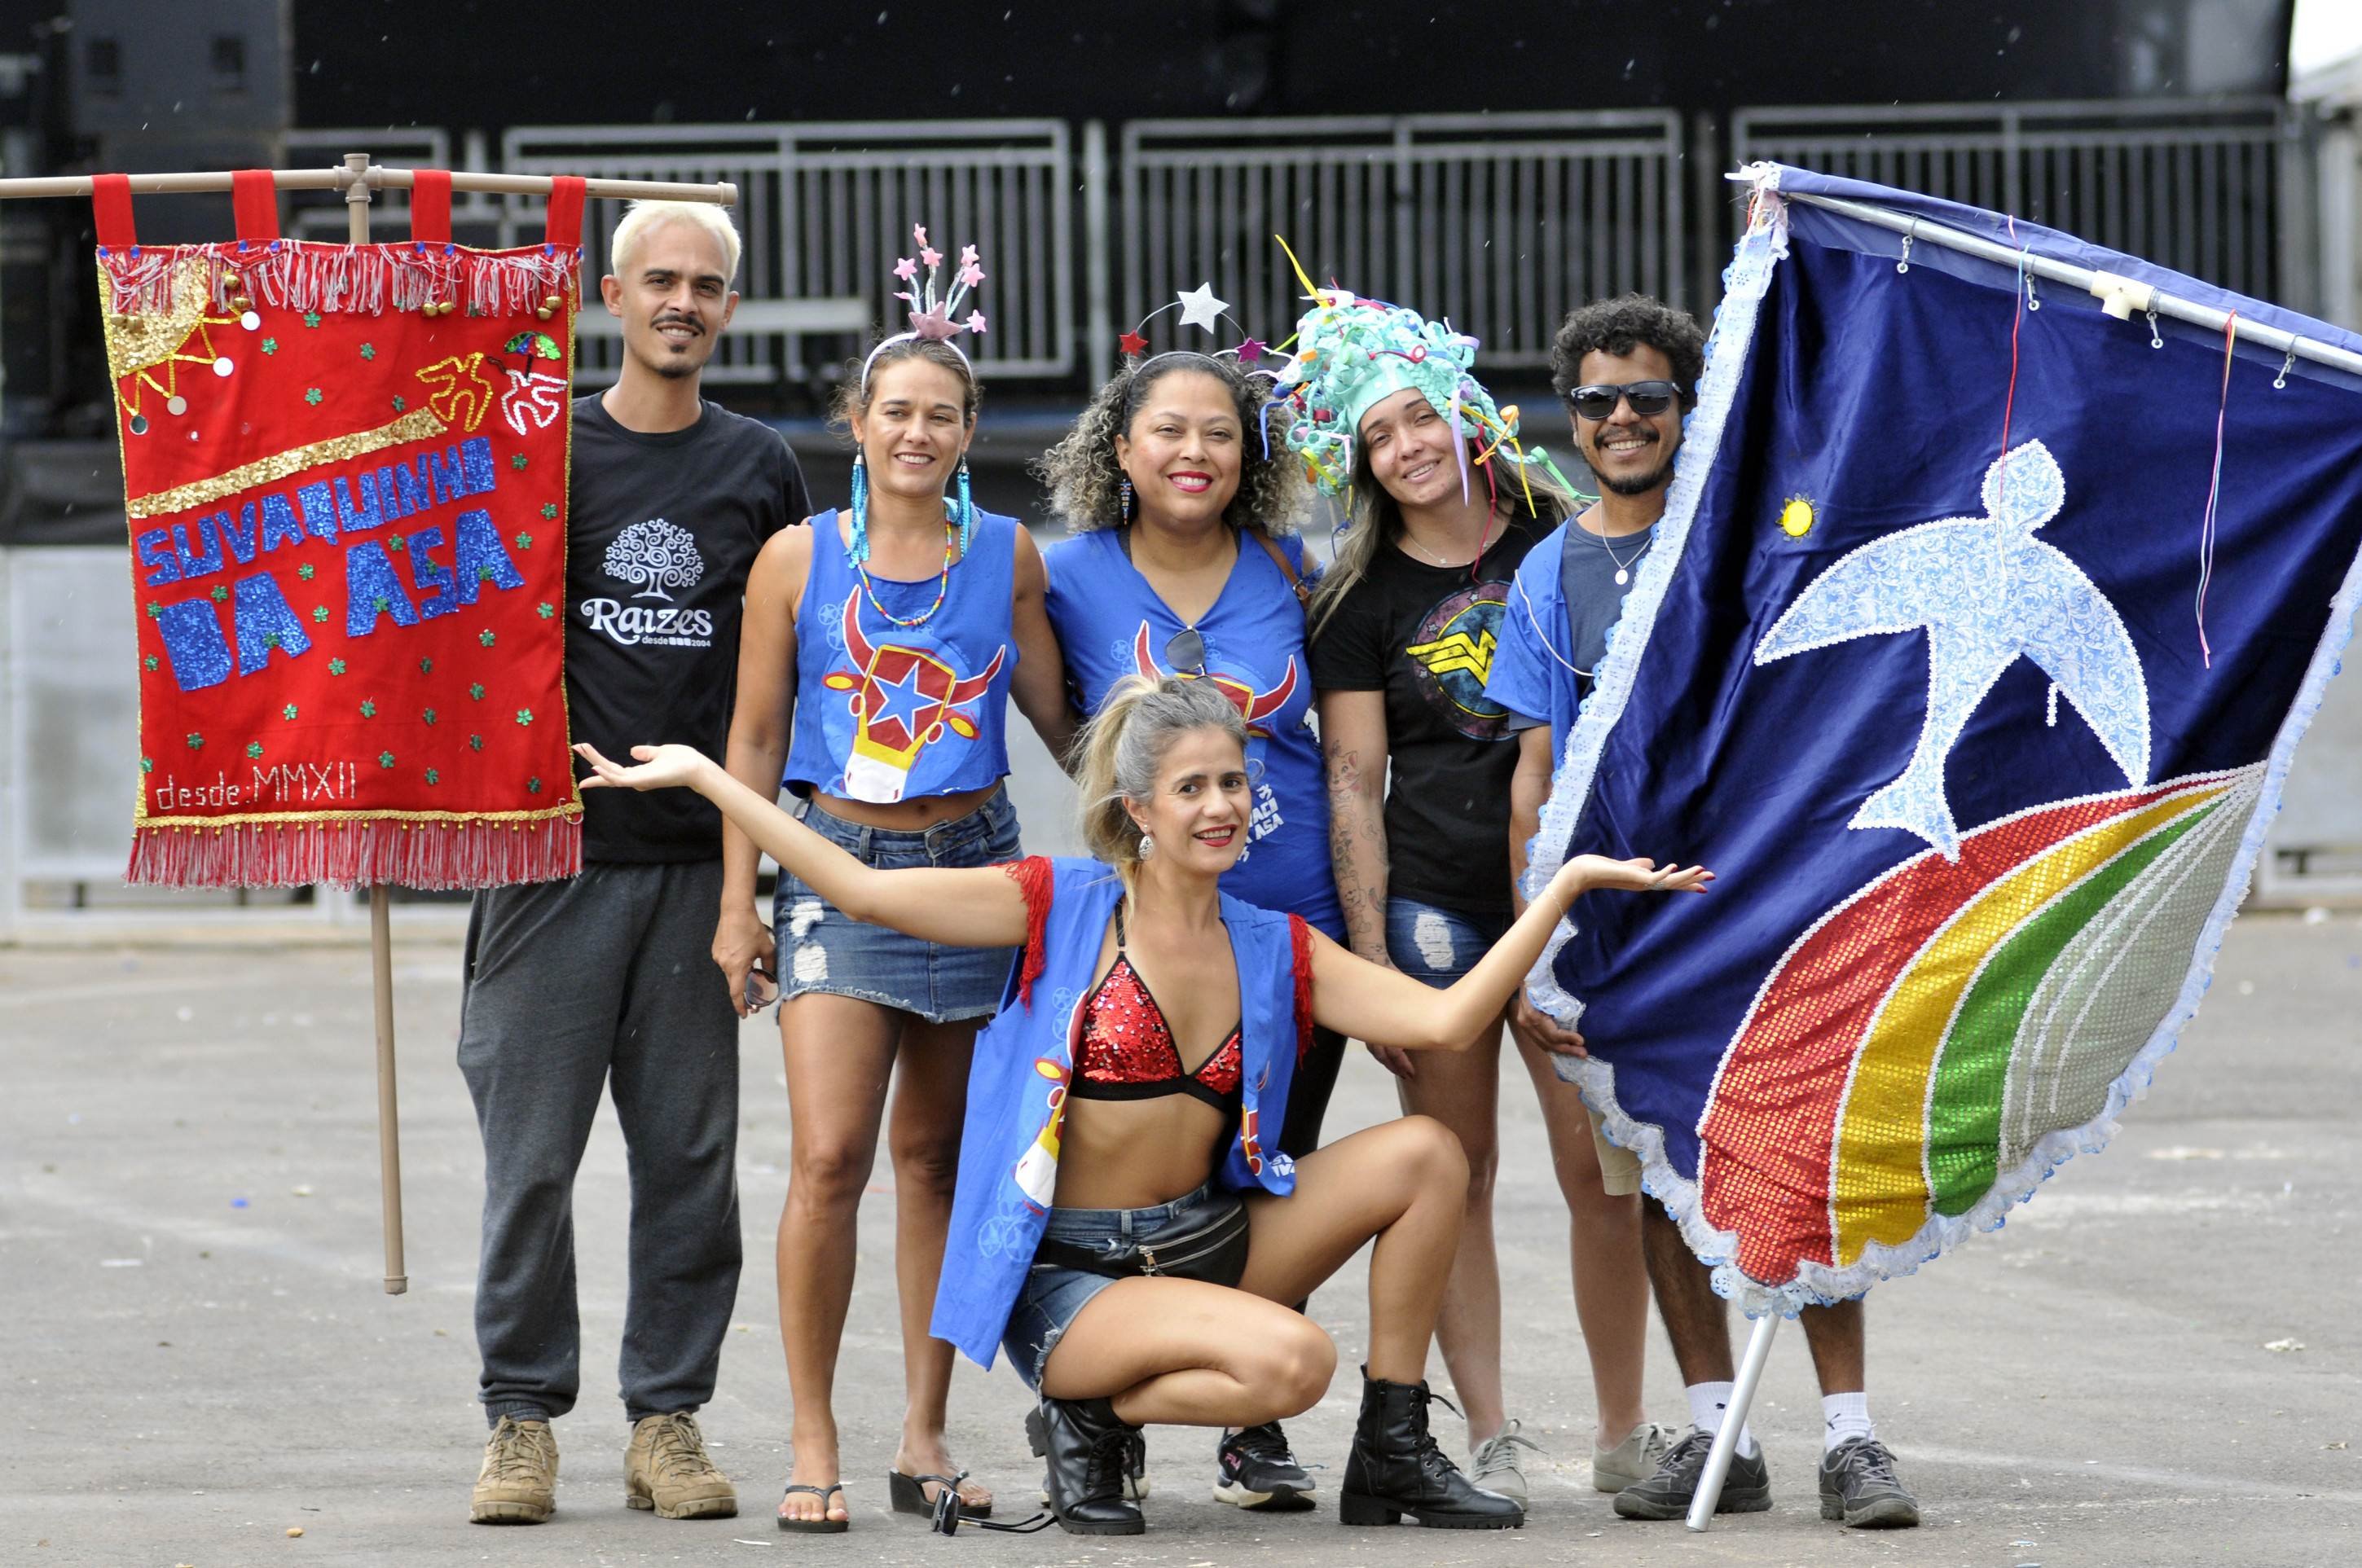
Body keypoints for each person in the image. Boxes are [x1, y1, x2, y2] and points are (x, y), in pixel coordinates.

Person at [569, 674, 1712, 1537]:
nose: (1221, 806)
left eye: (1234, 783)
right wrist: (710, 779)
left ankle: (1393, 1446)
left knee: (1427, 1151)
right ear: (1141, 809)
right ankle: (1090, 1413)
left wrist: (1564, 886)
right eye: (1193, 788)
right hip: (1077, 1277)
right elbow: (864, 889)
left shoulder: (1274, 943)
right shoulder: (1057, 903)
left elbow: (1451, 1019)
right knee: (1293, 1364)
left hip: (1207, 1242)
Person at [1485, 294, 1921, 1530]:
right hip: (1622, 937)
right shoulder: (1548, 571)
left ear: (1689, 406)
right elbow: (1531, 782)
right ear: (1570, 418)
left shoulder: (1744, 540)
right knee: (1662, 1176)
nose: (1621, 419)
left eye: (1648, 397)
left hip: (1765, 912)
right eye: (1597, 401)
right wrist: (1533, 953)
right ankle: (1719, 1427)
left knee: (1799, 1162)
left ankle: (1852, 1438)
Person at [1279, 279, 1670, 1504]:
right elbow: (1354, 784)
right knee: (1457, 1173)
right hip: (1434, 910)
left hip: (1571, 900)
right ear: (1358, 461)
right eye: (1377, 435)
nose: (1405, 447)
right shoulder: (1356, 599)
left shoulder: (1559, 532)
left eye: (1420, 418)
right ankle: (1491, 1432)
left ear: (1467, 417)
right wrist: (1369, 960)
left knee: (1599, 1171)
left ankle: (1624, 1429)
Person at [709, 233, 1072, 1534]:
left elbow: (1062, 721)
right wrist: (737, 900)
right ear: (857, 422)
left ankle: (925, 1435)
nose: (917, 432)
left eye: (942, 414)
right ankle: (814, 1435)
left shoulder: (1010, 554)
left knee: (938, 1160)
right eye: (896, 410)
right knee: (829, 1156)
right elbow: (755, 738)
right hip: (836, 866)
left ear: (971, 432)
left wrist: (1175, 777)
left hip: (973, 871)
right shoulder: (797, 558)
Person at [458, 199, 811, 1526]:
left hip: (689, 869)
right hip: (545, 860)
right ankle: (519, 1418)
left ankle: (666, 1416)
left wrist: (745, 895)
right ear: (610, 296)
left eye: (705, 285)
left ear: (730, 308)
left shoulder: (760, 467)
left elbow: (770, 700)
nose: (682, 302)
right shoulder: (537, 447)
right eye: (659, 279)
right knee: (529, 1163)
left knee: (688, 1164)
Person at [1035, 345, 1348, 1509]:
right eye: (1168, 430)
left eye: (1219, 432)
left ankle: (1251, 1423)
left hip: (1296, 918)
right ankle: (1103, 1406)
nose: (1194, 453)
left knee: (1275, 1165)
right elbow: (1065, 734)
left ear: (1248, 454)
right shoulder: (1063, 576)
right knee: (1164, 1172)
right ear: (1121, 448)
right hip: (1159, 934)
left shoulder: (1291, 566)